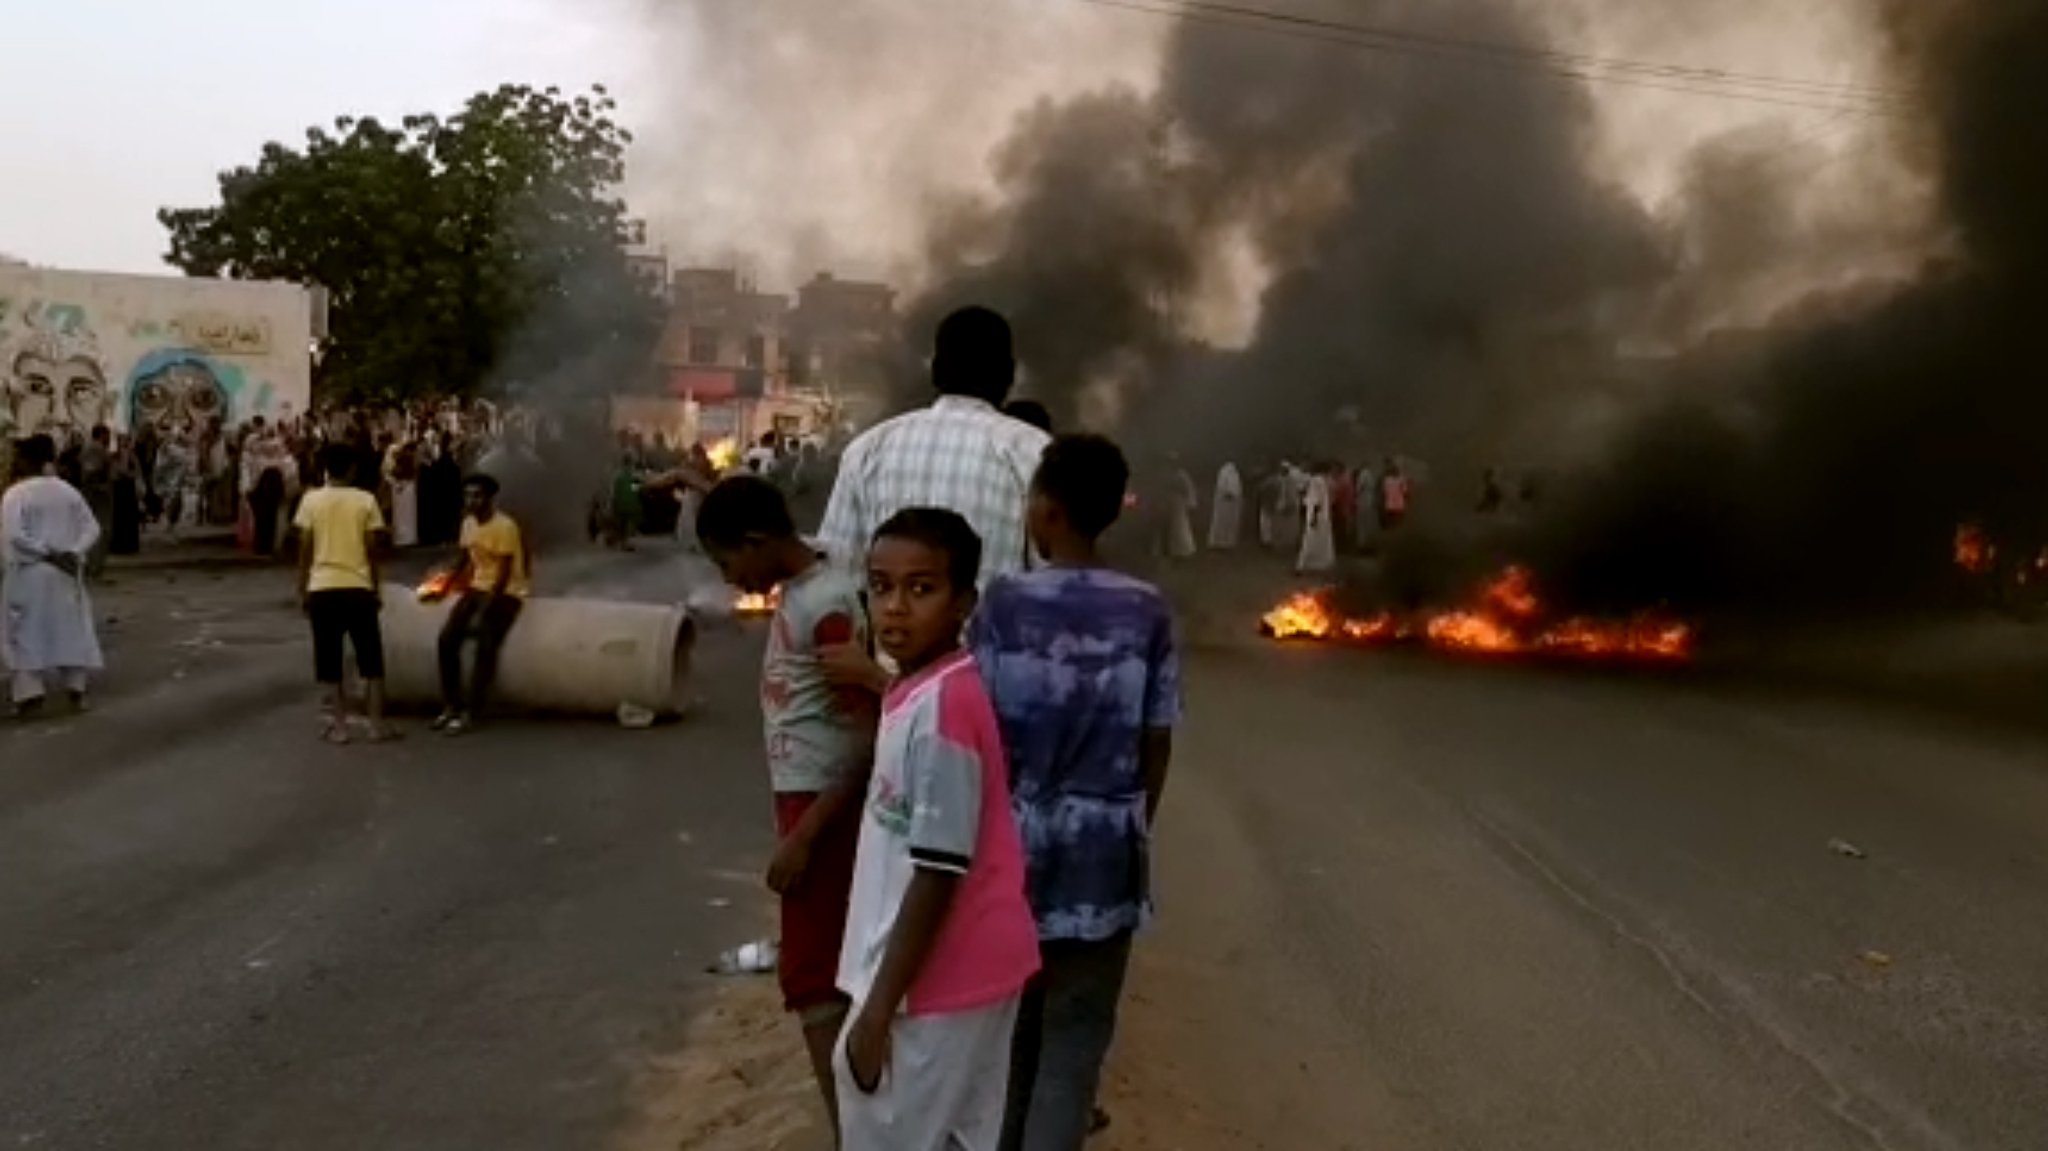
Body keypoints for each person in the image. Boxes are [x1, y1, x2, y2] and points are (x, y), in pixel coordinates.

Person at [970, 436, 1179, 1151]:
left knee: (1012, 1042)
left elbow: (978, 729)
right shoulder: (1147, 610)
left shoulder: (1003, 603)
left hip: (1013, 849)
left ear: (1048, 511)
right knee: (1074, 1043)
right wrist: (1130, 825)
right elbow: (1157, 740)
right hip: (1105, 855)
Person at [835, 507, 1039, 1151]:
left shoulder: (947, 704)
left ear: (962, 604)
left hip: (940, 979)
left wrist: (877, 1010)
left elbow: (939, 870)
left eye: (921, 589)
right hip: (948, 971)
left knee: (893, 1131)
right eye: (881, 585)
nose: (894, 607)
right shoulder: (914, 689)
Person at [695, 474, 877, 1134]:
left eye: (727, 561)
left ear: (755, 541)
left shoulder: (825, 604)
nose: (728, 577)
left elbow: (867, 727)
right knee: (823, 970)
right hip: (810, 804)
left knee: (812, 978)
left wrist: (806, 835)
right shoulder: (815, 575)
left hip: (826, 810)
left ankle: (851, 1132)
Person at [819, 306, 1051, 591]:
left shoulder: (867, 450)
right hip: (996, 636)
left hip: (888, 635)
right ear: (1009, 374)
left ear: (935, 371)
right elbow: (1052, 584)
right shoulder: (1033, 452)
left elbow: (837, 578)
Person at [295, 442, 397, 744]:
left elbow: (305, 548)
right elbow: (372, 549)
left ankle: (339, 728)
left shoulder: (311, 500)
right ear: (352, 468)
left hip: (323, 588)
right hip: (359, 587)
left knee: (329, 660)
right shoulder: (366, 500)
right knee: (371, 659)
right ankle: (375, 725)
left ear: (326, 468)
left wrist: (302, 587)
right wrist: (376, 586)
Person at [2, 435, 104, 716]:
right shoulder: (68, 491)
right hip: (66, 574)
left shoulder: (16, 494)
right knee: (70, 629)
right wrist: (73, 552)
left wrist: (47, 553)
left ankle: (29, 696)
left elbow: (14, 536)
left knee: (25, 632)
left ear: (27, 460)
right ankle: (76, 690)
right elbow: (92, 528)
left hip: (30, 573)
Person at [433, 473, 529, 736]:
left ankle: (472, 711)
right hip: (477, 587)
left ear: (489, 498)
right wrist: (442, 583)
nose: (471, 501)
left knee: (486, 643)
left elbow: (505, 574)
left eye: (477, 495)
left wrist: (485, 608)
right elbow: (463, 560)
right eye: (467, 495)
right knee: (446, 639)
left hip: (507, 592)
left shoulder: (505, 526)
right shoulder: (468, 524)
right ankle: (451, 704)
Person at [79, 426, 114, 579]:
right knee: (101, 529)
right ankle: (94, 567)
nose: (109, 439)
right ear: (102, 435)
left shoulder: (87, 447)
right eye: (107, 435)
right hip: (98, 493)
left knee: (90, 528)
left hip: (90, 492)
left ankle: (89, 565)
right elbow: (91, 470)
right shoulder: (96, 449)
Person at [1297, 465, 1336, 574]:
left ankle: (1302, 565)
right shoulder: (1321, 481)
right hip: (1321, 515)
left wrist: (1313, 516)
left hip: (1316, 515)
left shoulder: (1316, 481)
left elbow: (1316, 500)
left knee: (1310, 539)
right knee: (1320, 540)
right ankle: (1318, 564)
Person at [1207, 461, 1242, 551]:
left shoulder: (1234, 472)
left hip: (1231, 502)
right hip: (1225, 502)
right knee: (1222, 522)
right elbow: (1224, 487)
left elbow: (1235, 488)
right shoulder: (1226, 472)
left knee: (1229, 523)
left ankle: (1228, 543)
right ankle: (1220, 543)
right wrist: (1230, 494)